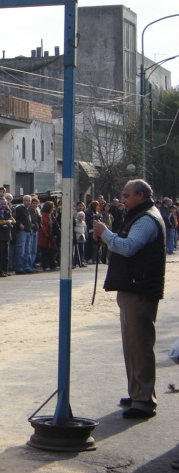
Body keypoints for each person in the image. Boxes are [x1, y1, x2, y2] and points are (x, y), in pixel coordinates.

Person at [93, 179, 166, 419]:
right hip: (132, 287)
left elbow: (129, 247)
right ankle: (137, 392)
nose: (122, 200)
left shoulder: (146, 219)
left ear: (141, 195)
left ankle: (143, 399)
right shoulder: (139, 215)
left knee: (139, 345)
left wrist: (106, 235)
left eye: (126, 195)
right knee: (131, 345)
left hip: (140, 289)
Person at [0, 198, 14, 277]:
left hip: (7, 235)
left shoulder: (8, 212)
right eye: (2, 204)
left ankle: (5, 270)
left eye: (5, 204)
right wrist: (5, 221)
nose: (3, 206)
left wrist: (9, 219)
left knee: (6, 255)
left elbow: (13, 220)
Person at [13, 195, 33, 274]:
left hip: (28, 231)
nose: (27, 202)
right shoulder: (19, 208)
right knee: (20, 250)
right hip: (22, 231)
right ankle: (19, 268)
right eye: (26, 200)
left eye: (29, 201)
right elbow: (14, 218)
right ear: (23, 201)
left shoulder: (29, 210)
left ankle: (26, 266)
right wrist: (19, 224)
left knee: (27, 251)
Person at [38, 201, 58, 271]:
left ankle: (52, 264)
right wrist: (46, 234)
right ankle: (45, 265)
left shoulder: (51, 215)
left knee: (51, 251)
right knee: (45, 251)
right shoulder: (43, 216)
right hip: (45, 237)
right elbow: (42, 227)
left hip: (50, 236)